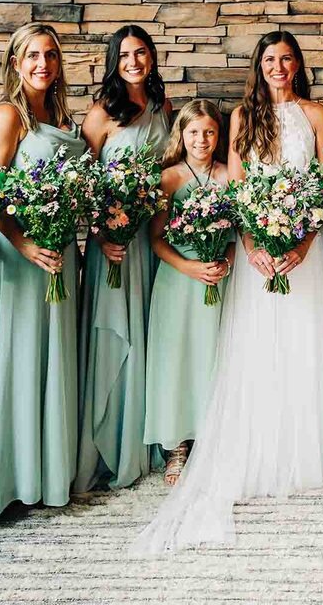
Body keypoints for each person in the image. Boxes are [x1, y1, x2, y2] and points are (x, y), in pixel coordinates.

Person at [135, 31, 323, 552]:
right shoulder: (244, 118)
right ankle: (256, 446)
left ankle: (307, 448)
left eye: (287, 58)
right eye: (269, 58)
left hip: (304, 252)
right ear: (258, 65)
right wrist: (251, 245)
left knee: (304, 344)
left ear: (298, 64)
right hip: (256, 253)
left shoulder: (315, 115)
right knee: (258, 347)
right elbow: (241, 188)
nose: (279, 66)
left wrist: (305, 242)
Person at [0, 22, 85, 517]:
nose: (44, 64)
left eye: (51, 56)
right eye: (33, 56)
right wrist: (23, 244)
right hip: (19, 258)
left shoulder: (59, 114)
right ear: (16, 63)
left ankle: (48, 471)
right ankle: (13, 479)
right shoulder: (8, 115)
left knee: (54, 357)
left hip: (59, 249)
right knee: (21, 359)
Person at [75, 24, 171, 493]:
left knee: (149, 329)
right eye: (125, 54)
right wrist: (98, 234)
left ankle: (144, 435)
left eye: (142, 52)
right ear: (114, 60)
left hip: (147, 237)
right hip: (111, 242)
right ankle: (108, 441)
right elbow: (82, 181)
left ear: (152, 57)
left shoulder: (161, 106)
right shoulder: (101, 114)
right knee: (117, 332)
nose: (134, 61)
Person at [143, 100, 232, 486]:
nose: (202, 140)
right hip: (179, 276)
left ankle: (210, 440)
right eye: (194, 132)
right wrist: (189, 266)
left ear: (219, 135)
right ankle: (175, 445)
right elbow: (156, 239)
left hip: (216, 277)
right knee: (176, 358)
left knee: (211, 356)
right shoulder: (170, 178)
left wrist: (224, 262)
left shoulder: (230, 176)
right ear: (181, 135)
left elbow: (237, 234)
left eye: (210, 132)